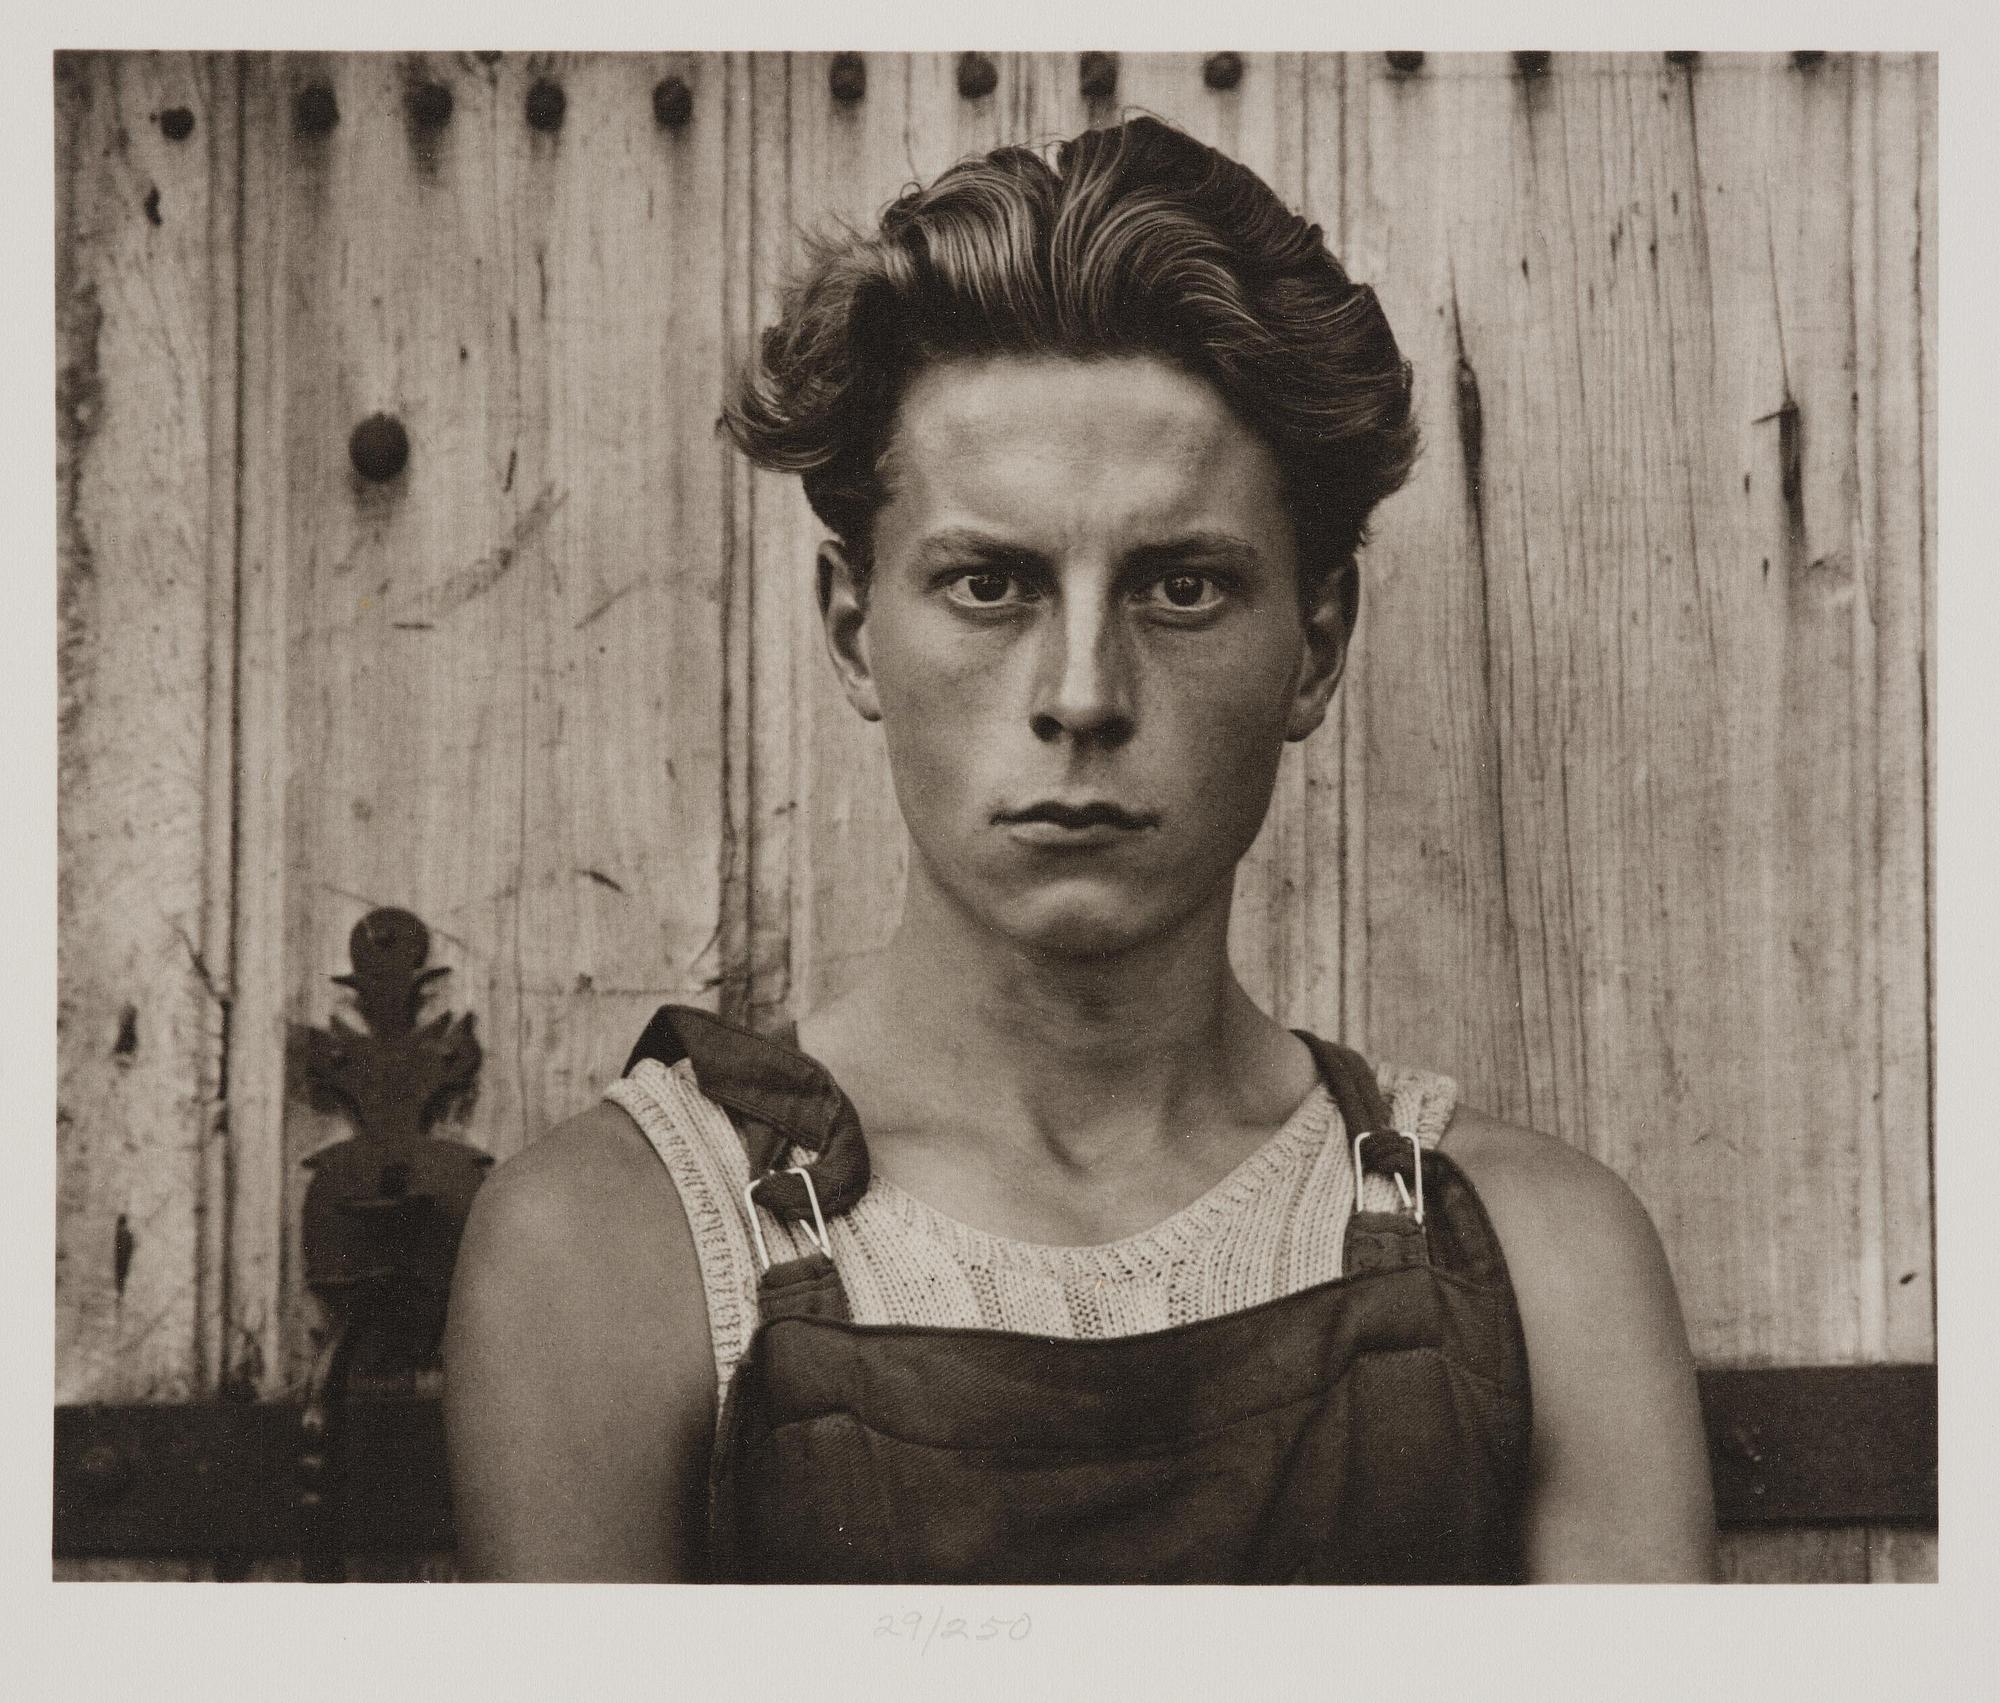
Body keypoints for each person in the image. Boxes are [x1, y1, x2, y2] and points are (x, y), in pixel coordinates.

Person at [442, 114, 1716, 1583]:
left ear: (1315, 647)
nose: (1083, 694)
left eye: (1183, 587)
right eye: (990, 583)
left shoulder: (1545, 1264)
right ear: (856, 630)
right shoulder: (615, 1256)